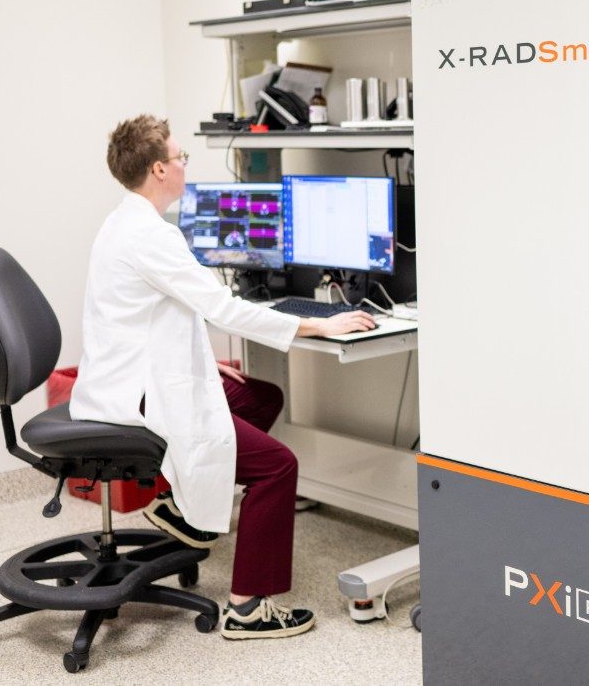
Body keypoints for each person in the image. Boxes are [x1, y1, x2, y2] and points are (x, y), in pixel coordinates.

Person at [69, 114, 376, 640]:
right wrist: (315, 325)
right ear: (160, 168)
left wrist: (196, 358)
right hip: (140, 399)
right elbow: (223, 310)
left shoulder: (124, 221)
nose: (186, 163)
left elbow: (147, 316)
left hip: (130, 377)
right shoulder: (150, 237)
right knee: (278, 466)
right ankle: (248, 605)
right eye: (181, 156)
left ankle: (180, 508)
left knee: (259, 396)